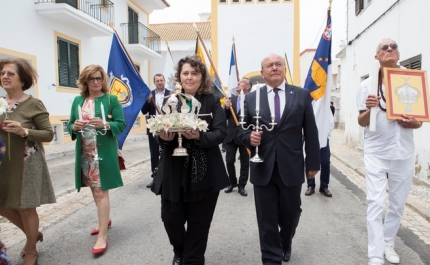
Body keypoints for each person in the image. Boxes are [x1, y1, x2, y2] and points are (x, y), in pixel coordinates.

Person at [237, 54, 320, 264]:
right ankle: (271, 258)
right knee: (266, 220)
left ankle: (285, 242)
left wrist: (312, 164)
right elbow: (241, 131)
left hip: (291, 166)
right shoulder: (251, 98)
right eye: (269, 65)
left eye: (278, 64)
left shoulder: (301, 95)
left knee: (291, 215)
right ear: (262, 72)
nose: (275, 68)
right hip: (262, 166)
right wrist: (249, 138)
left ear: (284, 69)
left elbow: (311, 132)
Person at [151, 55, 230, 265]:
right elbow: (160, 134)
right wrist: (164, 138)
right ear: (179, 76)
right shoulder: (170, 101)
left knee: (199, 224)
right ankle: (180, 251)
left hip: (204, 171)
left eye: (194, 73)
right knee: (170, 220)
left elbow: (221, 133)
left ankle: (193, 259)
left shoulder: (212, 101)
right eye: (185, 73)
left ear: (202, 77)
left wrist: (199, 136)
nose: (190, 77)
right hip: (173, 171)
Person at [356, 39, 422, 265]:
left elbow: (419, 123)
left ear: (399, 53)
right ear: (377, 56)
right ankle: (375, 254)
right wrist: (370, 108)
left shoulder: (411, 81)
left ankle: (388, 242)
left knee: (397, 203)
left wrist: (412, 123)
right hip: (376, 151)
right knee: (375, 202)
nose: (389, 49)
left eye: (393, 46)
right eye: (384, 47)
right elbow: (361, 121)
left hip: (403, 152)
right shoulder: (366, 86)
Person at [0, 58, 56, 265]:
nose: (5, 76)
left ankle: (31, 250)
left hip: (27, 164)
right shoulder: (1, 103)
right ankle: (33, 233)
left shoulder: (33, 104)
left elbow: (48, 134)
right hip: (3, 163)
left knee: (26, 208)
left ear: (22, 79)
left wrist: (24, 131)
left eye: (10, 73)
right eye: (2, 73)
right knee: (2, 205)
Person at [68, 65, 126, 255]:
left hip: (102, 153)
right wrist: (74, 128)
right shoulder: (78, 100)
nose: (95, 82)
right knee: (94, 190)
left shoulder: (111, 99)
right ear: (85, 80)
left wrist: (106, 123)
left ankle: (103, 235)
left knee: (101, 191)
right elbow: (70, 125)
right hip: (85, 153)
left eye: (99, 78)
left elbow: (121, 124)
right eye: (92, 78)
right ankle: (105, 220)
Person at [224, 77, 252, 196]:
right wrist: (226, 107)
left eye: (242, 82)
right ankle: (232, 182)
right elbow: (225, 117)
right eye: (239, 81)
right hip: (231, 136)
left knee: (245, 162)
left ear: (247, 87)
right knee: (229, 161)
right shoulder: (231, 99)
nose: (238, 83)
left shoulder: (251, 100)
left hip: (245, 135)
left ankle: (242, 185)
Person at [141, 74, 170, 188]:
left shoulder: (170, 94)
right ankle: (155, 177)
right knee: (154, 154)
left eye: (161, 80)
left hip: (167, 127)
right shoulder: (150, 95)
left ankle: (167, 177)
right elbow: (143, 111)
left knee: (166, 152)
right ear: (154, 82)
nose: (159, 82)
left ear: (164, 81)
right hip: (153, 128)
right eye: (157, 81)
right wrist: (148, 101)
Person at [305, 114, 334, 197]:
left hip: (323, 138)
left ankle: (324, 186)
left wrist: (323, 134)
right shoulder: (309, 104)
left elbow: (330, 122)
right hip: (310, 138)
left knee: (325, 162)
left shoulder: (325, 107)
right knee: (309, 161)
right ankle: (311, 186)